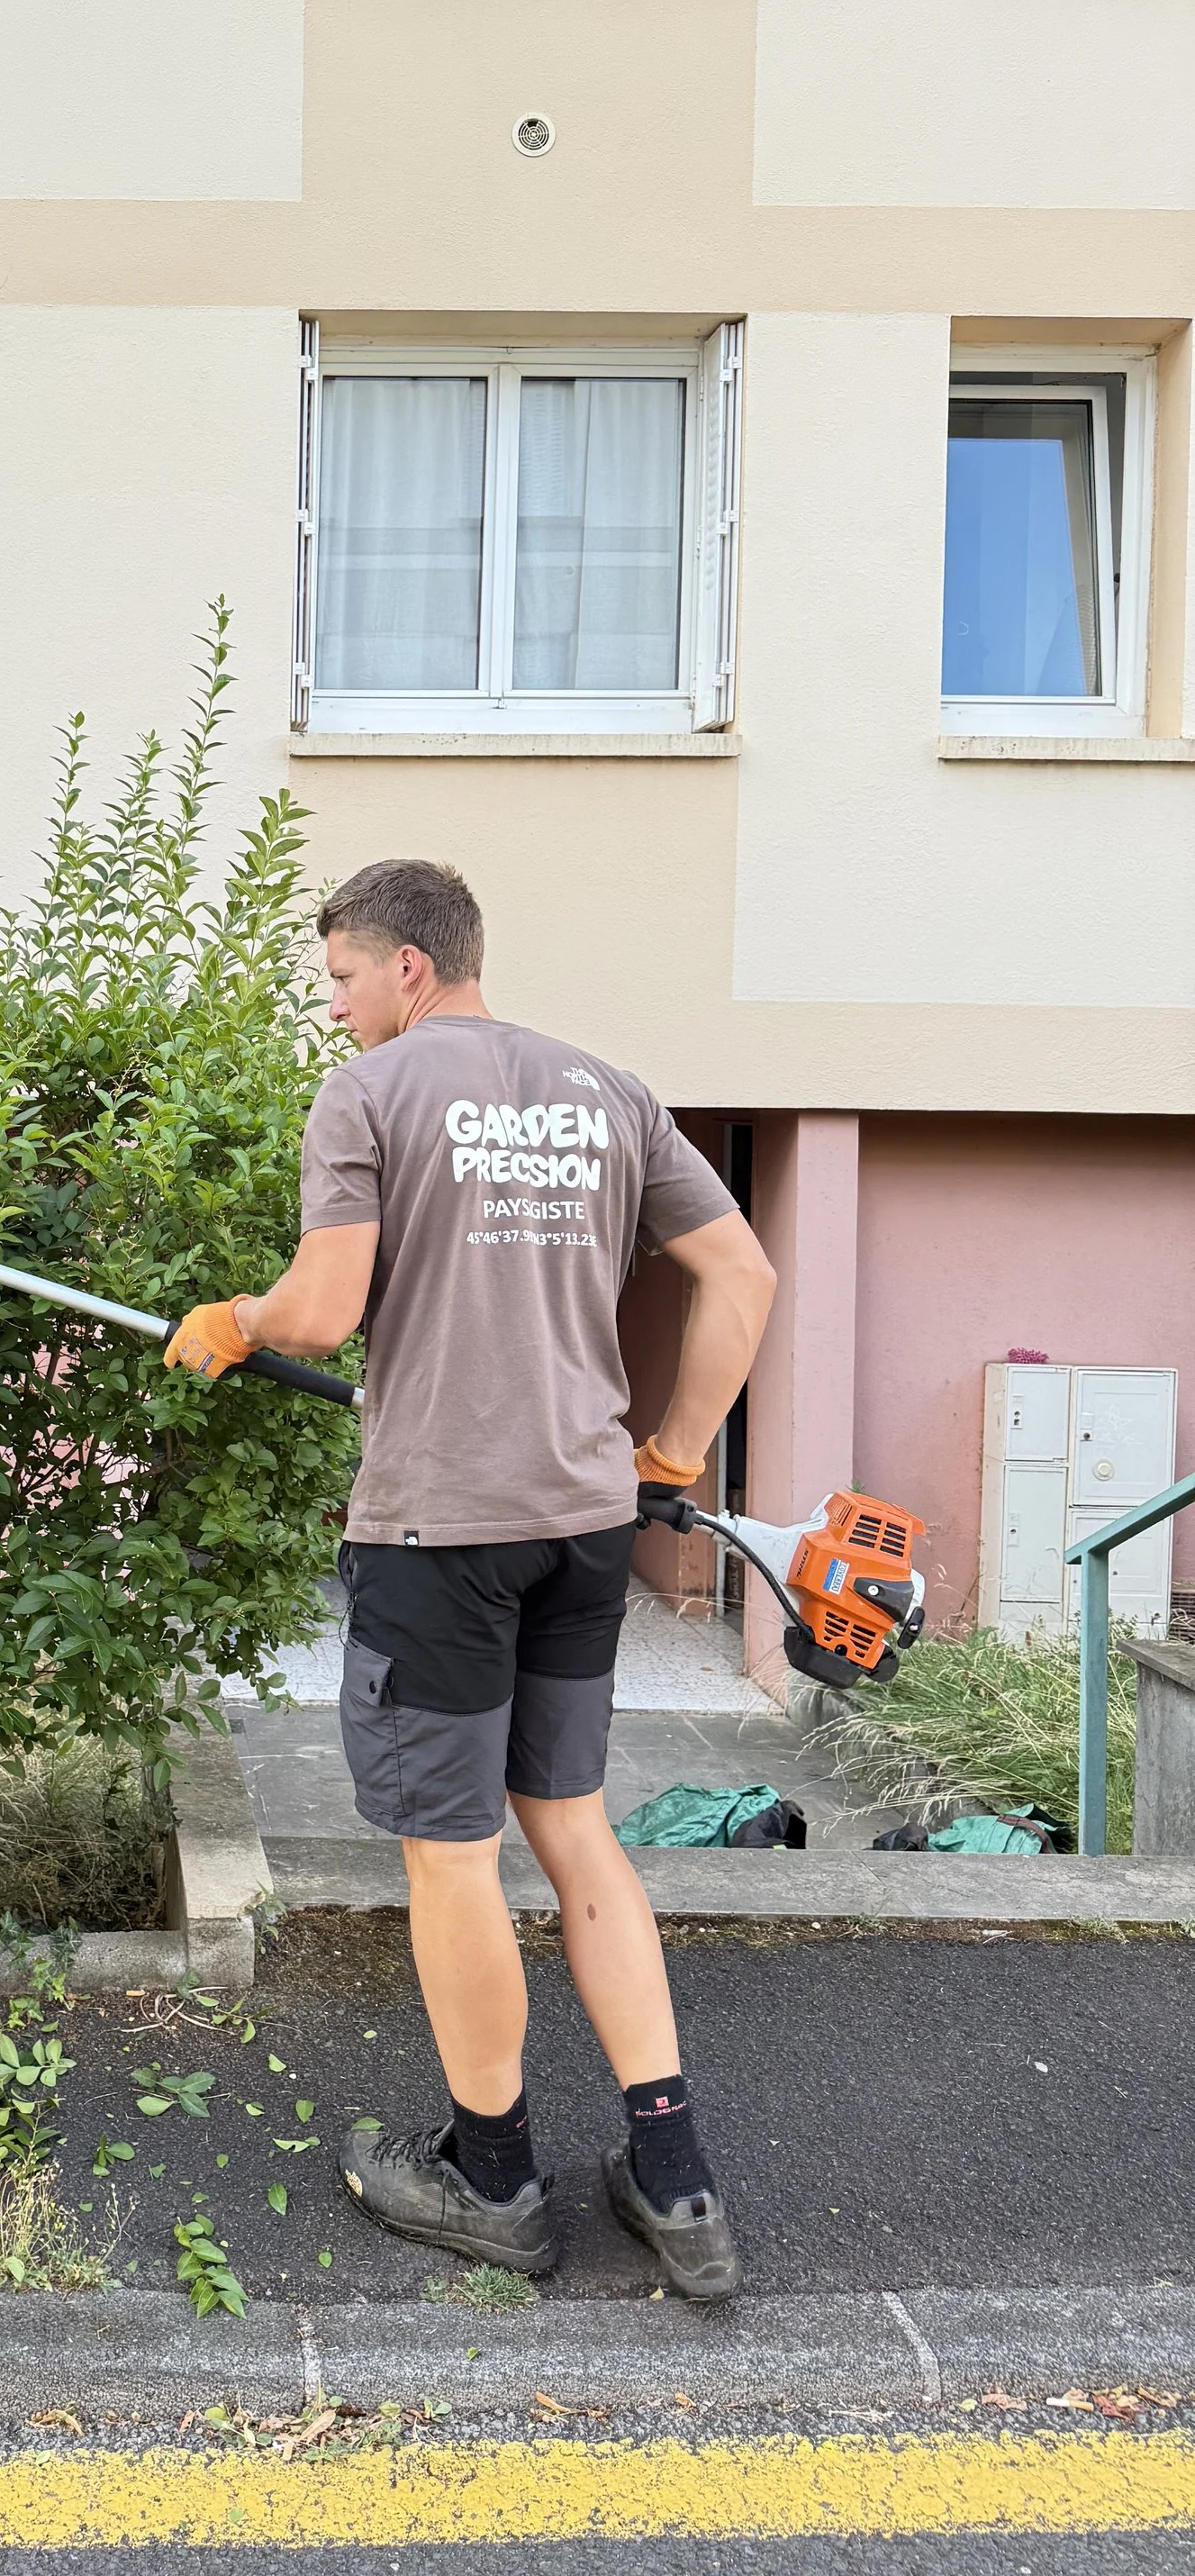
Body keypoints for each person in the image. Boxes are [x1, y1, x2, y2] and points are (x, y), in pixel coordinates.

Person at [164, 856, 775, 2299]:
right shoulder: (610, 1093)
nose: (333, 1011)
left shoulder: (372, 1096)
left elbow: (322, 1308)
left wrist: (233, 1323)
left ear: (410, 970)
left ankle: (495, 2178)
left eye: (339, 980)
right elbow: (741, 1277)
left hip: (441, 1536)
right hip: (581, 1523)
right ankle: (674, 2178)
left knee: (452, 1855)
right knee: (571, 1827)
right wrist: (676, 1448)